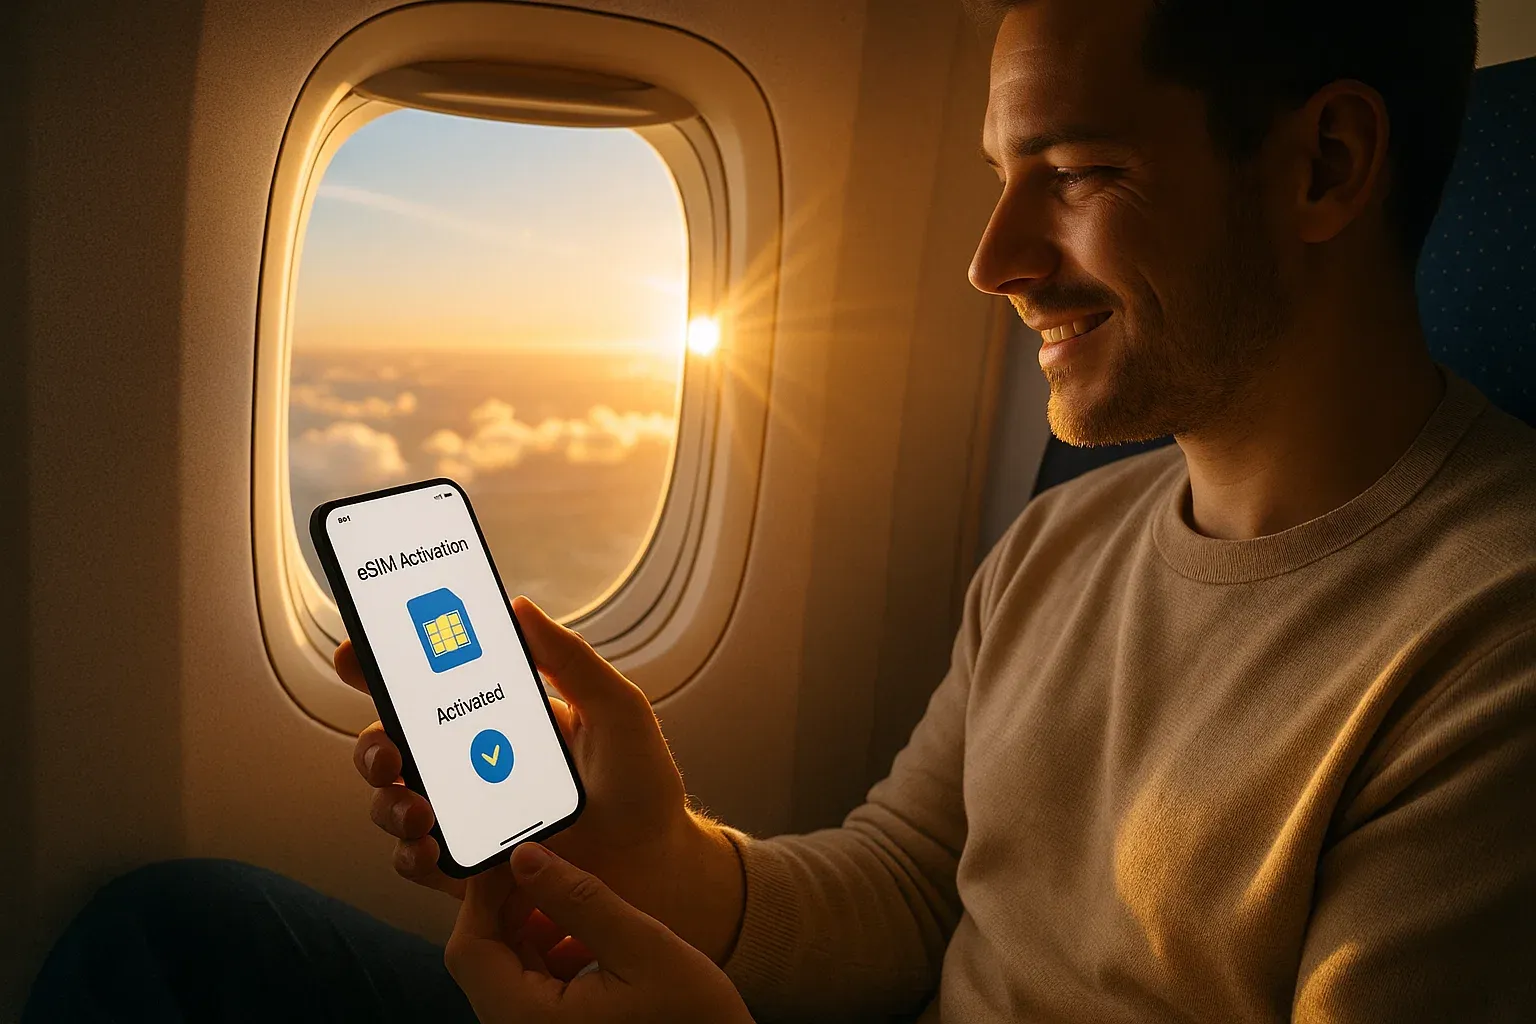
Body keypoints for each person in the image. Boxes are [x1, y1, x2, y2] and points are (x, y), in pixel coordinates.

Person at [28, 0, 1536, 1020]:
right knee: (172, 933)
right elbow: (905, 889)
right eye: (1004, 172)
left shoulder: (1491, 646)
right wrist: (658, 852)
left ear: (1326, 165)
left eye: (1077, 171)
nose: (992, 256)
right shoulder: (1065, 547)